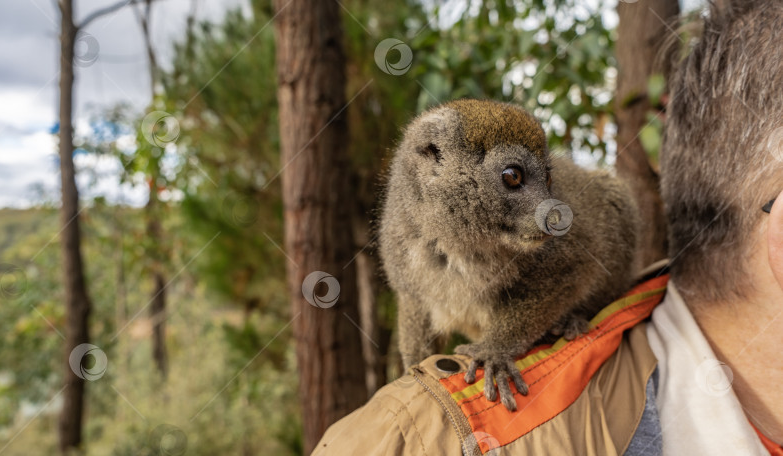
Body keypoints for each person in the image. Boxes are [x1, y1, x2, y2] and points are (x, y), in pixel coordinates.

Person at [312, 1, 783, 454]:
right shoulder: (403, 242)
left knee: (613, 197)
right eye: (512, 178)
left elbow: (568, 270)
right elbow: (414, 302)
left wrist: (500, 344)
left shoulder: (549, 242)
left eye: (545, 179)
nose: (549, 211)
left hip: (570, 300)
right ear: (433, 162)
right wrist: (414, 383)